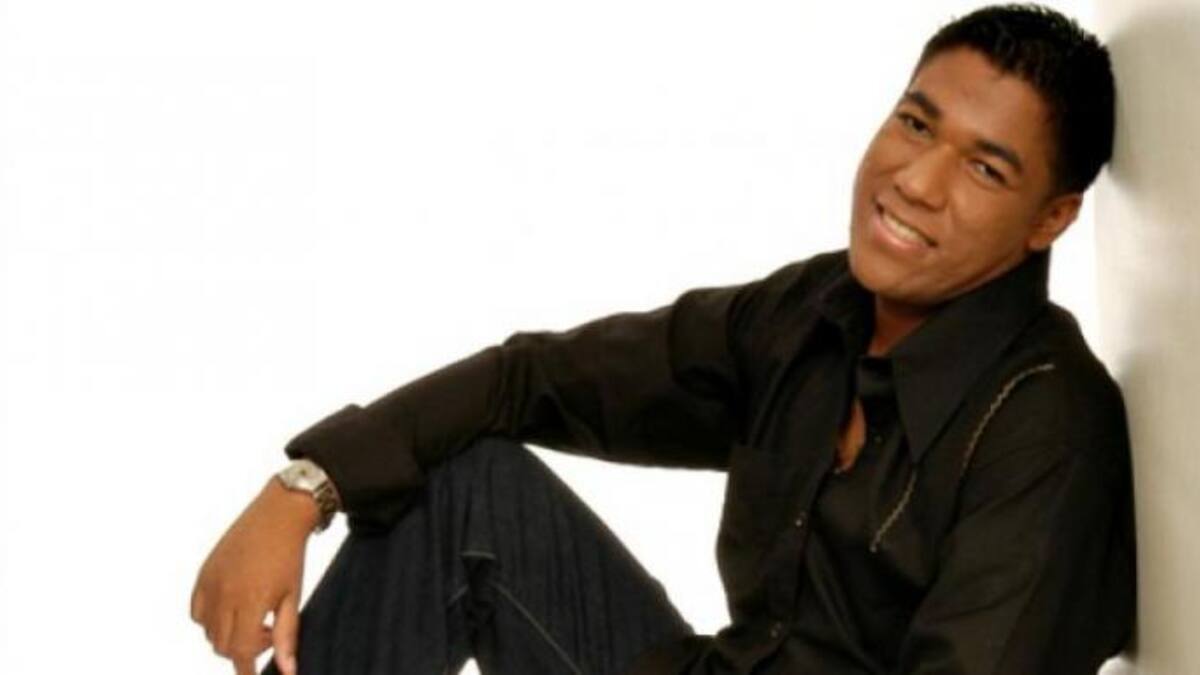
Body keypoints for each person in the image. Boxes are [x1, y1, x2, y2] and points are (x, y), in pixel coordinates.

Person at [190, 3, 1136, 674]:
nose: (918, 182)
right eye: (916, 123)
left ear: (1051, 218)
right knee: (472, 490)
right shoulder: (814, 313)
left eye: (984, 168)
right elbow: (530, 379)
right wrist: (305, 487)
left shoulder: (1046, 428)